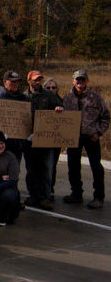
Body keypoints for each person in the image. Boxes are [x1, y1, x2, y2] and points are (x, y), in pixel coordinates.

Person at [63, 69, 109, 210]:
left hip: (91, 137)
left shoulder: (95, 97)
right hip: (73, 138)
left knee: (96, 167)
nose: (80, 83)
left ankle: (98, 197)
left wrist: (99, 132)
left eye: (82, 80)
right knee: (73, 166)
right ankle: (76, 194)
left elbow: (106, 117)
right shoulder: (67, 98)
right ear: (73, 81)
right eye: (77, 80)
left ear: (87, 81)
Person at [23, 70, 63, 211]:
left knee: (46, 168)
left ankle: (45, 197)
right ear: (29, 81)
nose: (38, 82)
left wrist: (59, 109)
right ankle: (32, 195)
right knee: (31, 169)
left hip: (46, 140)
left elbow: (60, 107)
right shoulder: (24, 96)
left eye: (40, 79)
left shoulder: (49, 96)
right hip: (28, 140)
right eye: (35, 79)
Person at [0, 71, 30, 163]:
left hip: (17, 144)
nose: (15, 84)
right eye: (12, 81)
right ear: (5, 82)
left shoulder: (24, 98)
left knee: (14, 172)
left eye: (17, 81)